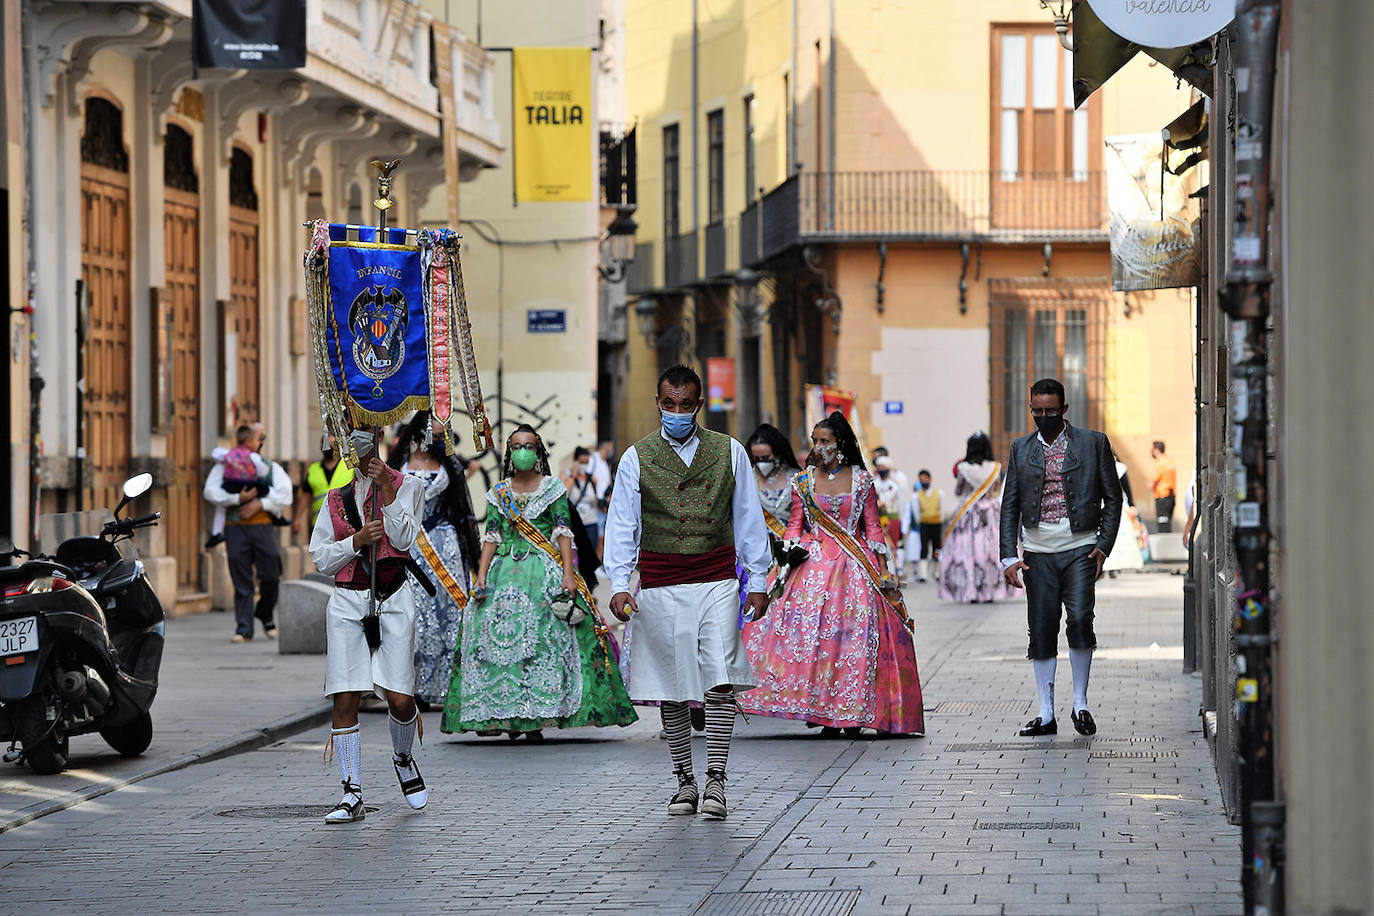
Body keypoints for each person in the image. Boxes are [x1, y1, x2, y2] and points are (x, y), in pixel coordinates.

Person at [603, 364, 771, 820]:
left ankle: (716, 778)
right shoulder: (635, 459)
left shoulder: (730, 452)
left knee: (720, 677)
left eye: (685, 404)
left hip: (717, 579)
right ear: (658, 404)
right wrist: (619, 585)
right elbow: (621, 525)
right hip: (658, 583)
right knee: (672, 686)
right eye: (668, 404)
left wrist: (757, 580)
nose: (677, 412)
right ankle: (685, 781)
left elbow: (748, 519)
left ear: (699, 405)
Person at [442, 424, 635, 740]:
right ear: (509, 453)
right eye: (517, 446)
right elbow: (491, 536)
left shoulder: (554, 489)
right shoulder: (498, 493)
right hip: (503, 572)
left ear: (539, 452)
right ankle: (504, 713)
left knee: (543, 640)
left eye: (529, 446)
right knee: (496, 639)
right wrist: (480, 577)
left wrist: (569, 576)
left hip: (543, 571)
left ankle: (536, 714)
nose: (522, 451)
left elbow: (562, 532)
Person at [742, 412, 925, 737]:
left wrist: (884, 570)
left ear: (840, 443)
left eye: (824, 440)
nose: (818, 447)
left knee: (850, 642)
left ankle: (851, 712)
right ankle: (822, 711)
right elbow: (796, 527)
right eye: (815, 441)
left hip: (855, 568)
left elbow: (873, 529)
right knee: (815, 642)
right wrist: (786, 556)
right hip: (812, 569)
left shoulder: (862, 480)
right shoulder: (804, 481)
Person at [309, 422, 429, 824]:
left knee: (400, 698)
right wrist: (355, 541)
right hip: (347, 600)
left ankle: (402, 756)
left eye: (362, 432)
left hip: (392, 598)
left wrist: (389, 493)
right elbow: (321, 558)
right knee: (346, 696)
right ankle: (351, 792)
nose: (352, 443)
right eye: (346, 435)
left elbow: (404, 537)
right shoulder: (335, 497)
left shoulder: (410, 486)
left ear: (378, 434)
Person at [1001, 378, 1122, 738]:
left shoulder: (1093, 442)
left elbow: (1113, 498)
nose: (1043, 417)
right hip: (1037, 553)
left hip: (1080, 548)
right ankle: (1045, 712)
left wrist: (1104, 545)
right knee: (1041, 629)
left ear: (1064, 410)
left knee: (1082, 620)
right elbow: (1009, 506)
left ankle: (1080, 703)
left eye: (1050, 411)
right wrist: (1008, 556)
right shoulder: (1020, 449)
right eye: (1036, 411)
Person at [387, 412, 481, 710]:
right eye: (435, 435)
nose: (439, 441)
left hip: (444, 546)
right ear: (418, 433)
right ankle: (409, 687)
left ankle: (448, 685)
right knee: (412, 614)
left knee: (447, 613)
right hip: (409, 547)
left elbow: (462, 510)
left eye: (442, 436)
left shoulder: (448, 466)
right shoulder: (397, 465)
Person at [203, 422, 292, 642]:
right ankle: (244, 628)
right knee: (241, 578)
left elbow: (285, 494)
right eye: (258, 438)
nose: (259, 443)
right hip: (235, 528)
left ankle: (264, 612)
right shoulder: (225, 465)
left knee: (271, 574)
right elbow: (210, 491)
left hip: (262, 526)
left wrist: (260, 504)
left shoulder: (269, 467)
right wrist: (236, 499)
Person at [939, 433, 1013, 604]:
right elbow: (995, 490)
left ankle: (970, 591)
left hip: (968, 513)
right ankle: (989, 591)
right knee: (989, 551)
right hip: (990, 512)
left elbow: (958, 491)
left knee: (967, 551)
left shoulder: (963, 468)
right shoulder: (995, 467)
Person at [746, 424, 802, 541]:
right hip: (759, 543)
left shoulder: (796, 477)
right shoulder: (747, 479)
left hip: (795, 543)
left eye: (766, 458)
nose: (761, 462)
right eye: (757, 459)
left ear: (777, 454)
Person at [295, 434, 355, 539]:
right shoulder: (314, 469)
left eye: (332, 444)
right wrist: (297, 518)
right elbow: (306, 494)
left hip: (345, 524)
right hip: (319, 524)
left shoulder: (349, 466)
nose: (329, 447)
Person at [1104, 452, 1147, 574]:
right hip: (1110, 505)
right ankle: (1109, 566)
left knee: (1117, 535)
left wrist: (1132, 505)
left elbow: (1127, 488)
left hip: (1116, 506)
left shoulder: (1119, 469)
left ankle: (1113, 566)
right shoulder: (1103, 467)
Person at [563, 447, 602, 546]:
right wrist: (574, 475)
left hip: (591, 522)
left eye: (586, 462)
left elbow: (595, 499)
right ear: (575, 461)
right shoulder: (566, 475)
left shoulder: (592, 479)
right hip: (575, 523)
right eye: (581, 462)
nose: (584, 465)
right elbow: (564, 493)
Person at [912, 470, 944, 583]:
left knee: (937, 548)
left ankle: (937, 572)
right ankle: (923, 574)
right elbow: (916, 512)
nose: (923, 481)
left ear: (930, 479)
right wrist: (920, 521)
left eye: (925, 478)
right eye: (921, 479)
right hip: (924, 524)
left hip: (936, 523)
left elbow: (942, 509)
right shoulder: (916, 495)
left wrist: (940, 520)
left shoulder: (939, 493)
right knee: (924, 547)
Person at [1151, 440, 1177, 532]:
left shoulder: (1160, 463)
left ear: (1156, 450)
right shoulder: (1169, 461)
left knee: (1162, 524)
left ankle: (1164, 544)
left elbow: (1153, 480)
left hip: (1162, 496)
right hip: (1171, 496)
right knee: (1167, 522)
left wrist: (1150, 485)